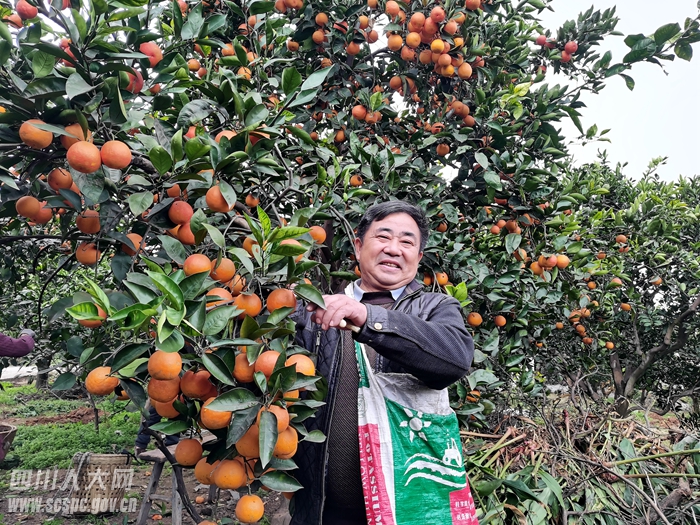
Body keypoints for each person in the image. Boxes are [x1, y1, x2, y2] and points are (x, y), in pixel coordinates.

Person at [290, 201, 475, 525]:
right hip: (321, 513)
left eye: (406, 242)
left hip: (406, 513)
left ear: (418, 257)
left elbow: (455, 358)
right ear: (358, 246)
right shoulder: (319, 310)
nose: (393, 248)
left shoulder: (435, 307)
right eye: (383, 237)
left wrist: (368, 319)